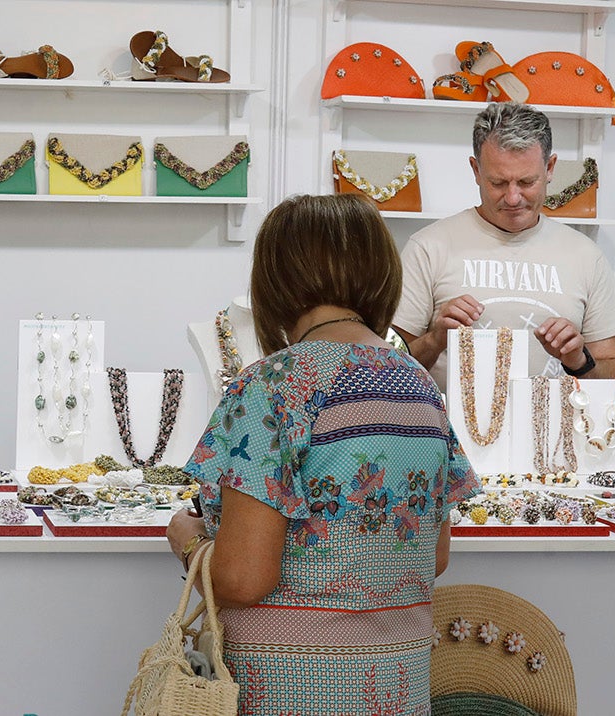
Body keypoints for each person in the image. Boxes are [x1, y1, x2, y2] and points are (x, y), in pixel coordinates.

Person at [168, 193, 481, 715]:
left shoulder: (273, 386)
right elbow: (436, 555)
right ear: (381, 276)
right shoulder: (421, 389)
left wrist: (190, 543)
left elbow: (245, 577)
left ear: (275, 282)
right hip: (397, 686)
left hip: (290, 689)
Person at [392, 102, 615, 389]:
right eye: (498, 182)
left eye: (527, 181)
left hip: (552, 431)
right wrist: (435, 340)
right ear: (476, 170)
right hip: (447, 433)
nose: (513, 197)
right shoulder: (428, 248)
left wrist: (579, 361)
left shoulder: (585, 256)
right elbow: (387, 367)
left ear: (550, 168)